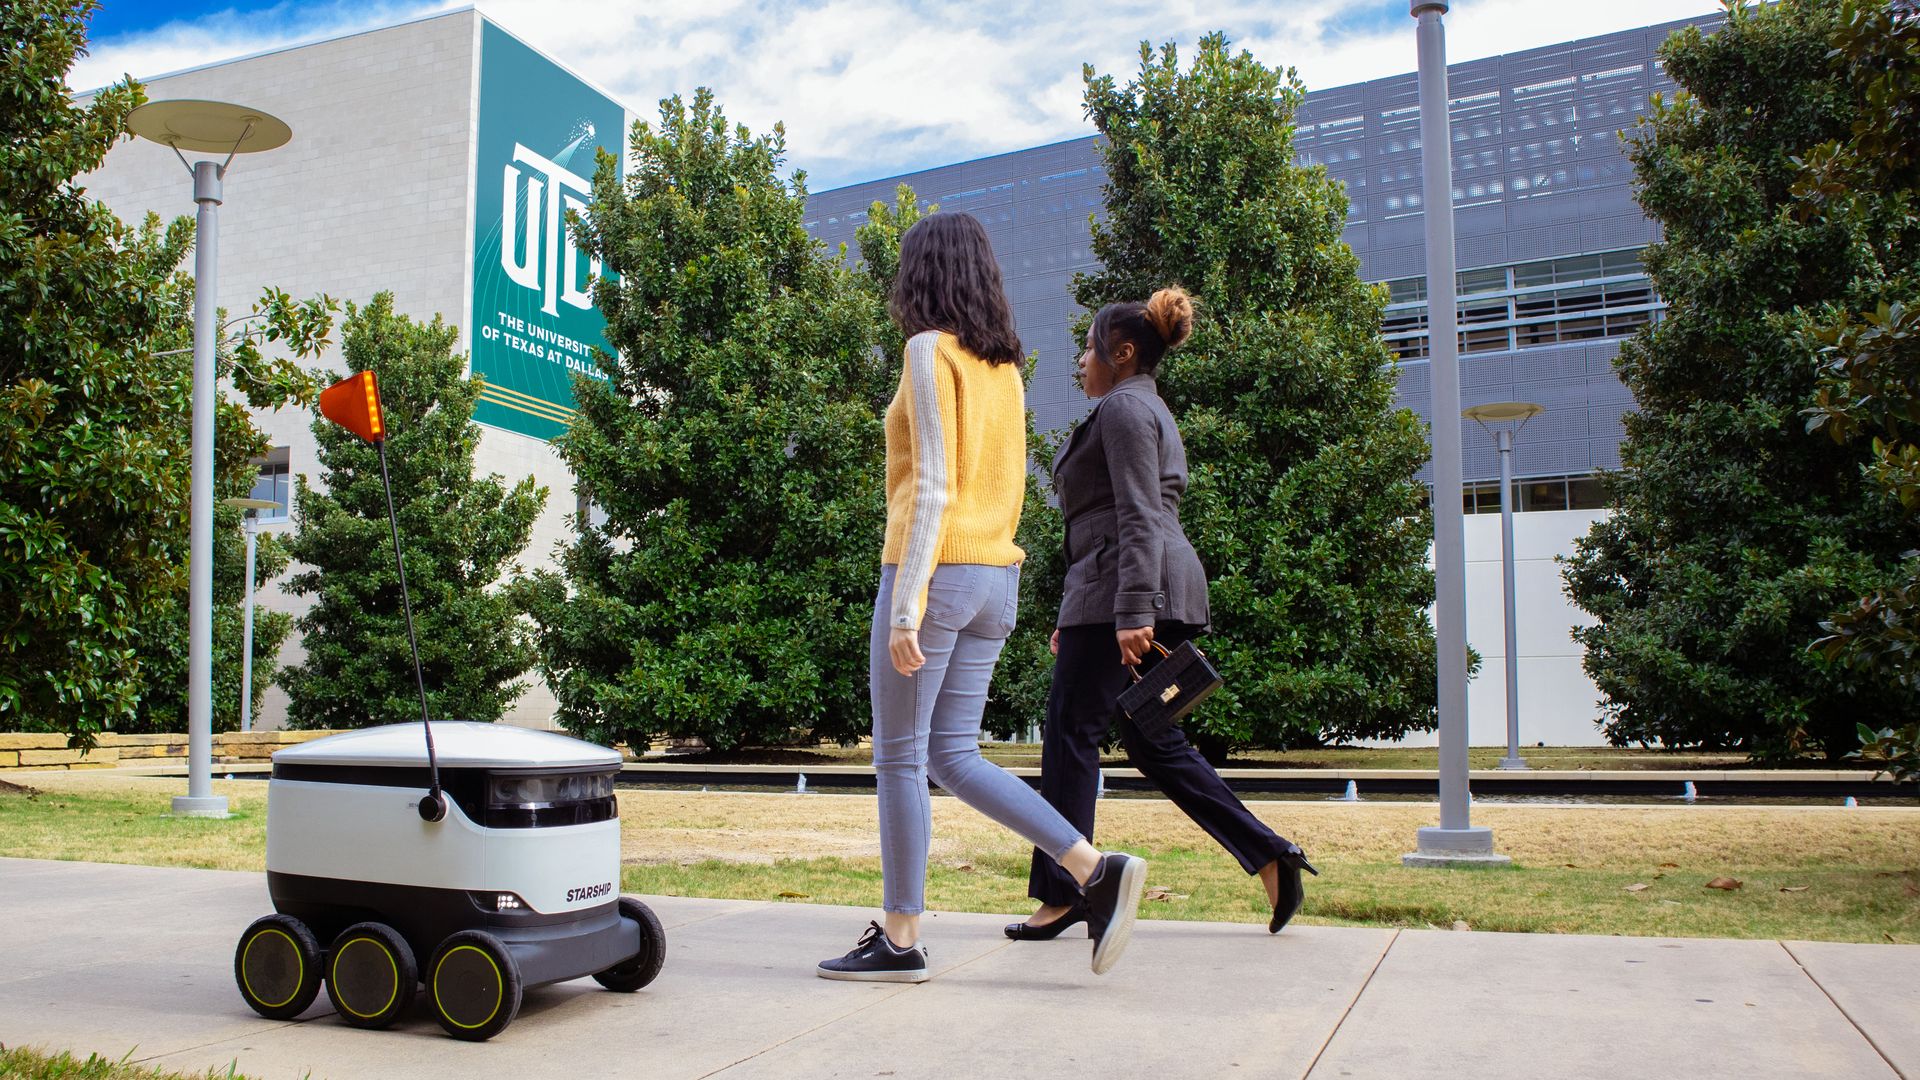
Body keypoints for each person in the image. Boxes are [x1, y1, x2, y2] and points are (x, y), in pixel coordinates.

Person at [817, 212, 1148, 984]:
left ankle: (900, 938)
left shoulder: (928, 351)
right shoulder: (1004, 370)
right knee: (953, 755)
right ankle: (1093, 868)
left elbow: (933, 484)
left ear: (920, 274)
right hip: (996, 578)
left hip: (936, 573)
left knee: (900, 755)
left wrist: (907, 603)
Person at [1009, 287, 1317, 943]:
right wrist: (1081, 609)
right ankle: (1271, 855)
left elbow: (1139, 514)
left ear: (1121, 353)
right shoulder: (1138, 405)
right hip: (1123, 589)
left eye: (1088, 349)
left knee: (1069, 732)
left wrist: (1130, 610)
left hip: (1127, 591)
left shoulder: (1124, 407)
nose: (1080, 361)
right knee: (1151, 740)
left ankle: (1066, 892)